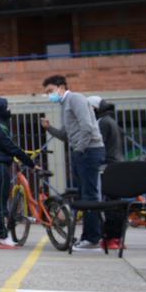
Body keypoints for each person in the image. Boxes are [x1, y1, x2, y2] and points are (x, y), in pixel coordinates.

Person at [41, 75, 106, 252]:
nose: (49, 95)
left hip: (89, 151)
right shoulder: (64, 105)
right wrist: (49, 129)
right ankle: (88, 237)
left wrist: (79, 149)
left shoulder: (75, 99)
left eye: (50, 91)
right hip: (82, 151)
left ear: (61, 87)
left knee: (90, 196)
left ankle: (92, 239)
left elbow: (87, 127)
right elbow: (66, 135)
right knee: (84, 195)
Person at [0, 97, 34, 248]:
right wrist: (31, 163)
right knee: (0, 204)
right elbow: (12, 148)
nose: (8, 110)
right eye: (6, 107)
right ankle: (1, 237)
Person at [89, 96, 126, 251]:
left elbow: (99, 144)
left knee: (109, 205)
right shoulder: (112, 121)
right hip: (118, 164)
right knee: (117, 203)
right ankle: (117, 238)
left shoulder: (102, 122)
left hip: (108, 166)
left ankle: (110, 238)